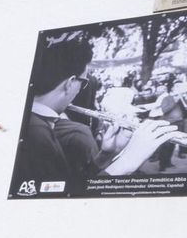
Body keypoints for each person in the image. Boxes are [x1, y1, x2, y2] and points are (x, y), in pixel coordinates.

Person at [11, 36, 175, 195]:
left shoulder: (35, 123)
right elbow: (64, 204)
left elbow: (68, 184)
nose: (80, 90)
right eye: (84, 82)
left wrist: (106, 155)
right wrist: (127, 161)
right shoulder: (35, 131)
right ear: (70, 83)